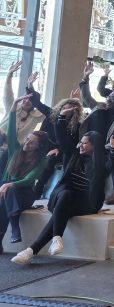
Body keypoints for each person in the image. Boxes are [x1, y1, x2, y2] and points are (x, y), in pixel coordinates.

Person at [11, 130, 107, 264]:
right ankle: (53, 239)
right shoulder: (73, 156)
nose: (81, 145)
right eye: (81, 142)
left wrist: (113, 151)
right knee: (66, 195)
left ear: (94, 146)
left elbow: (110, 169)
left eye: (85, 143)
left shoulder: (102, 162)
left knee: (62, 208)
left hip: (85, 203)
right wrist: (61, 119)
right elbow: (62, 139)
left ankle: (33, 250)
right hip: (63, 196)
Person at [0, 104, 50, 249]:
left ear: (39, 146)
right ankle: (14, 229)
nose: (27, 143)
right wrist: (13, 108)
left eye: (31, 142)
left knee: (8, 192)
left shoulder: (42, 160)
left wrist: (9, 184)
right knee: (4, 199)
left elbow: (29, 179)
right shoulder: (15, 150)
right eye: (27, 138)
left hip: (25, 194)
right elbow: (10, 132)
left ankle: (11, 230)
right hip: (7, 192)